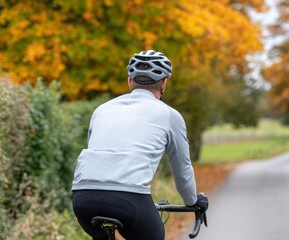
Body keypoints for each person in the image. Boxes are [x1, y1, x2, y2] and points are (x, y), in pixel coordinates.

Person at [72, 50, 208, 240]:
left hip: (83, 199)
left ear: (130, 81)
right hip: (130, 199)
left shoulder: (101, 110)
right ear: (163, 83)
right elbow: (182, 170)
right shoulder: (169, 115)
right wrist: (193, 201)